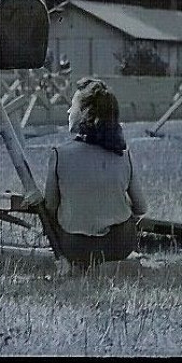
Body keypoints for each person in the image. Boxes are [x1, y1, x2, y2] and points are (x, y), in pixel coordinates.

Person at [42, 79, 148, 269]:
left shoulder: (59, 154)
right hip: (119, 246)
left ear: (85, 112)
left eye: (72, 106)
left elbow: (50, 206)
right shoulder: (123, 155)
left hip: (75, 248)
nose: (68, 111)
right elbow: (141, 208)